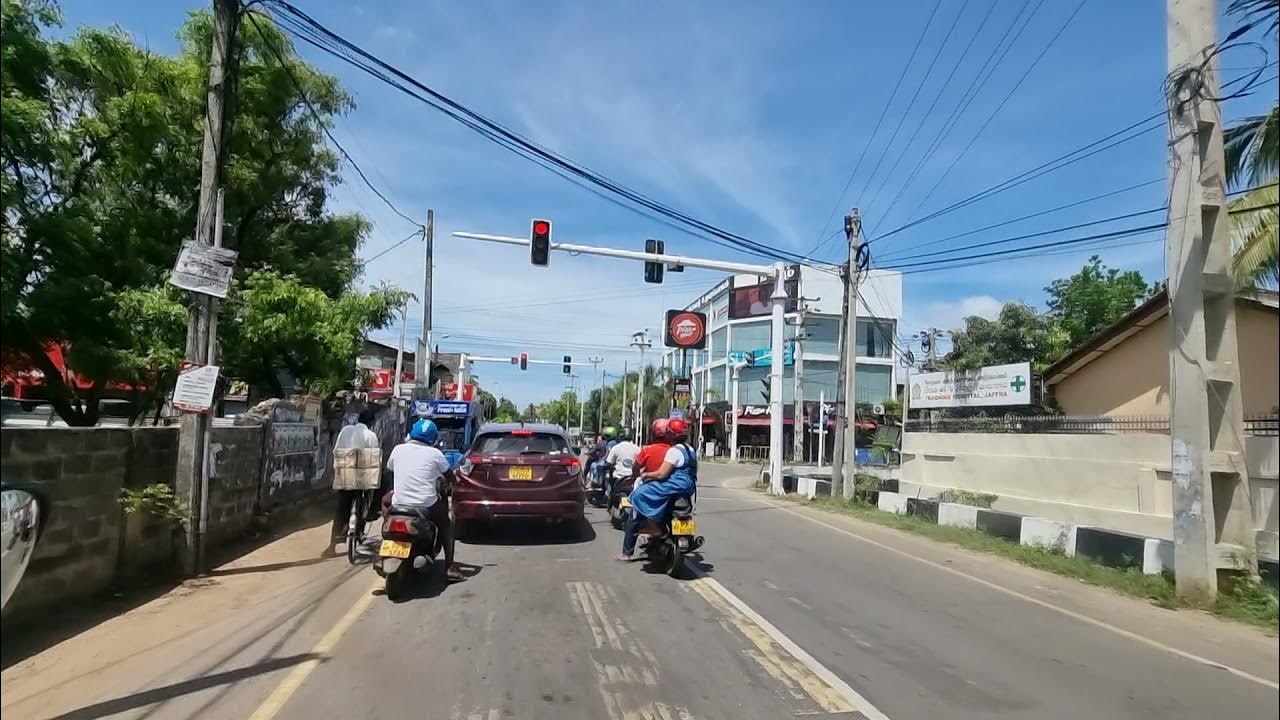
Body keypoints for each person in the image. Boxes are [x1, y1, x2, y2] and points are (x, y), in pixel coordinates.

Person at [384, 418, 465, 582]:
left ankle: (387, 529)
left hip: (399, 504)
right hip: (426, 506)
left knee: (385, 501)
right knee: (446, 524)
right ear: (433, 438)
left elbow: (390, 469)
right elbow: (450, 477)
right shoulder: (435, 454)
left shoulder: (398, 449)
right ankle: (449, 567)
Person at [617, 418, 697, 561]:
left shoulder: (663, 450)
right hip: (689, 486)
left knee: (637, 497)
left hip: (671, 485)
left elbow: (661, 474)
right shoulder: (690, 450)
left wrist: (645, 474)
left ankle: (630, 550)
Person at [330, 407, 381, 554]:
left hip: (344, 474)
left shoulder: (346, 430)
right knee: (365, 499)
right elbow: (375, 457)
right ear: (371, 422)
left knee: (341, 507)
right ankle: (360, 530)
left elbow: (336, 451)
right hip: (362, 477)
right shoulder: (371, 435)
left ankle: (333, 544)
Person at [602, 431, 640, 500]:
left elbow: (608, 463)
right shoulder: (637, 449)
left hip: (618, 477)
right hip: (632, 478)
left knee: (607, 478)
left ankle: (608, 496)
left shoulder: (616, 448)